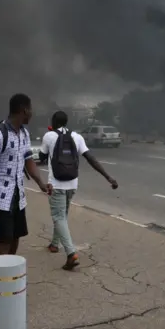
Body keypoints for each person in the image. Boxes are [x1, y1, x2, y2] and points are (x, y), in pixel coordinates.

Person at [40, 111, 118, 270]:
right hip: (72, 184)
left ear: (53, 122)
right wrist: (108, 177)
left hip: (56, 184)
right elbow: (91, 158)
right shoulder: (77, 137)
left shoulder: (49, 136)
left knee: (58, 217)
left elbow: (42, 157)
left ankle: (71, 253)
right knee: (62, 216)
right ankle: (54, 244)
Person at [0, 93, 50, 255]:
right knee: (5, 242)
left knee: (16, 238)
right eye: (31, 109)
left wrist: (41, 183)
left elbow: (29, 161)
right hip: (1, 199)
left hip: (18, 197)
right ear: (24, 110)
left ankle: (9, 278)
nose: (32, 113)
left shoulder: (24, 134)